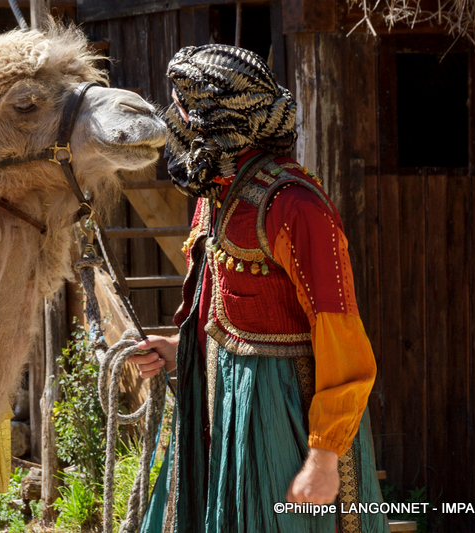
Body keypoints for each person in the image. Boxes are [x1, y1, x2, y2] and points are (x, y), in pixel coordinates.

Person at [129, 44, 389, 533]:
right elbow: (224, 312)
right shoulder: (218, 193)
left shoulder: (295, 207)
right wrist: (177, 348)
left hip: (280, 422)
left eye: (182, 106)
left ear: (212, 118)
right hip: (215, 409)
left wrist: (323, 457)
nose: (174, 119)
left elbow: (343, 340)